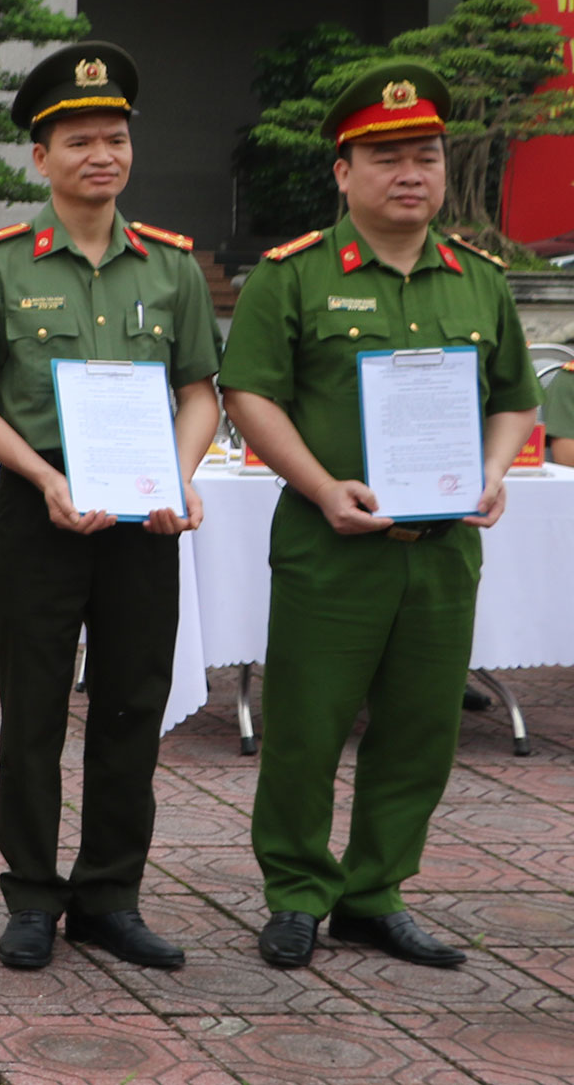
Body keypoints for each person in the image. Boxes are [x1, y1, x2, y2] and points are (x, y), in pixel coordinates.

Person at [221, 63, 538, 970]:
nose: (410, 174)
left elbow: (514, 397)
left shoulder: (478, 279)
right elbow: (249, 393)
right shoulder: (295, 275)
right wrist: (323, 487)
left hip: (442, 551)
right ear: (343, 171)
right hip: (331, 544)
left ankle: (375, 894)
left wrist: (491, 471)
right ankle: (296, 892)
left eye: (426, 157)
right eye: (386, 157)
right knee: (307, 729)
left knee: (421, 730)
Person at [0, 43, 221, 972]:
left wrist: (179, 474)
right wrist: (43, 477)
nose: (101, 155)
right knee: (31, 708)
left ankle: (110, 895)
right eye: (78, 141)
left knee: (132, 705)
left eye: (115, 138)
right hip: (42, 504)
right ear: (40, 156)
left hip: (145, 514)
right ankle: (31, 894)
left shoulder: (172, 266)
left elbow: (200, 391)